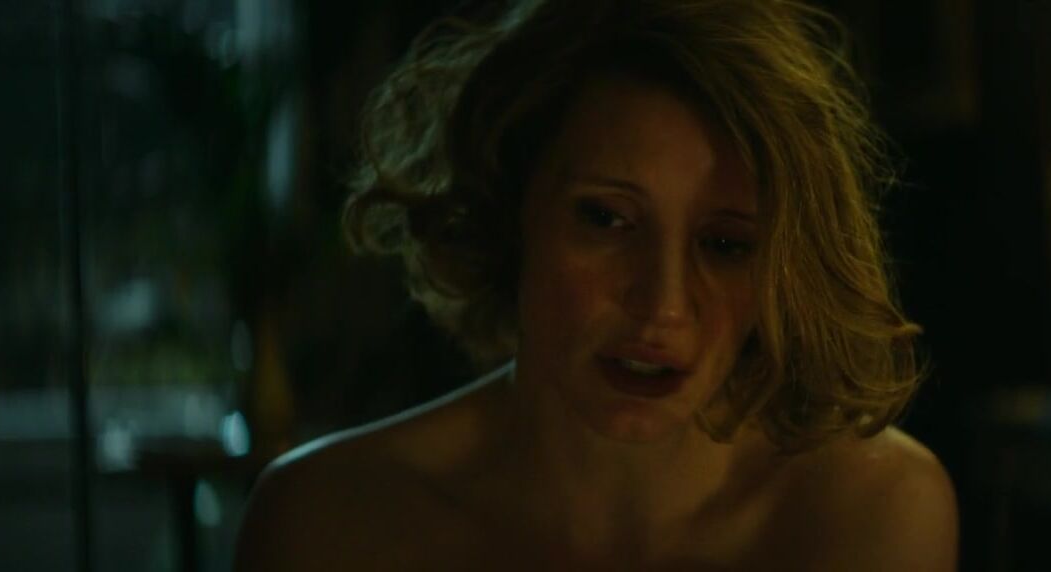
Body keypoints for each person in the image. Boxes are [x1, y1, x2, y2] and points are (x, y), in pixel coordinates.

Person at [235, 0, 957, 569]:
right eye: (606, 219)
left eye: (725, 244)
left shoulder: (871, 511)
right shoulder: (327, 520)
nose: (662, 304)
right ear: (511, 208)